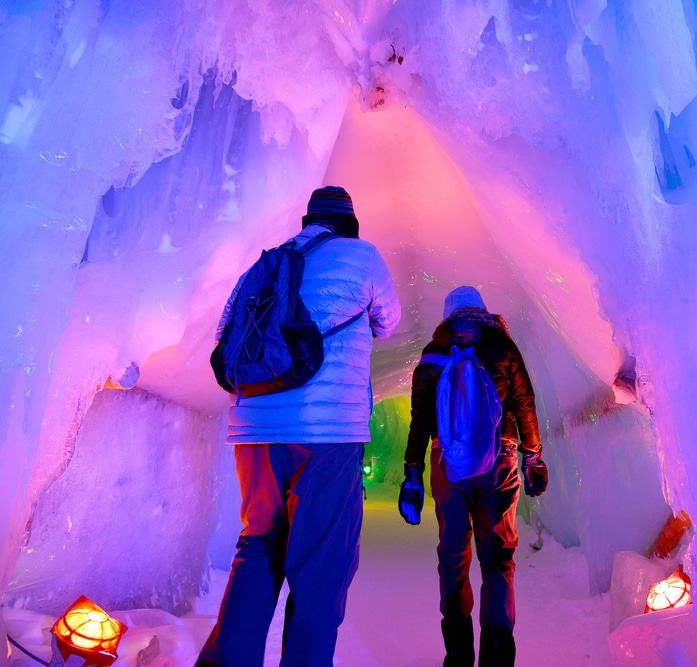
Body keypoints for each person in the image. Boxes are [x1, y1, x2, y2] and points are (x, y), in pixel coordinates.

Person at [199, 186, 401, 666]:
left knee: (258, 544)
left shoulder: (270, 262)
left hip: (255, 429)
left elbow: (225, 331)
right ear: (349, 223)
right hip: (328, 434)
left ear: (308, 219)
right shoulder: (363, 256)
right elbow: (389, 322)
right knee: (320, 566)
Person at [399, 286, 549, 667]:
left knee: (452, 555)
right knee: (498, 559)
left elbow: (421, 420)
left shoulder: (434, 353)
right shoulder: (502, 347)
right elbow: (524, 404)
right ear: (483, 310)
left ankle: (459, 656)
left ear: (449, 316)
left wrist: (412, 473)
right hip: (499, 460)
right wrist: (533, 458)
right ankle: (497, 657)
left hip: (447, 463)